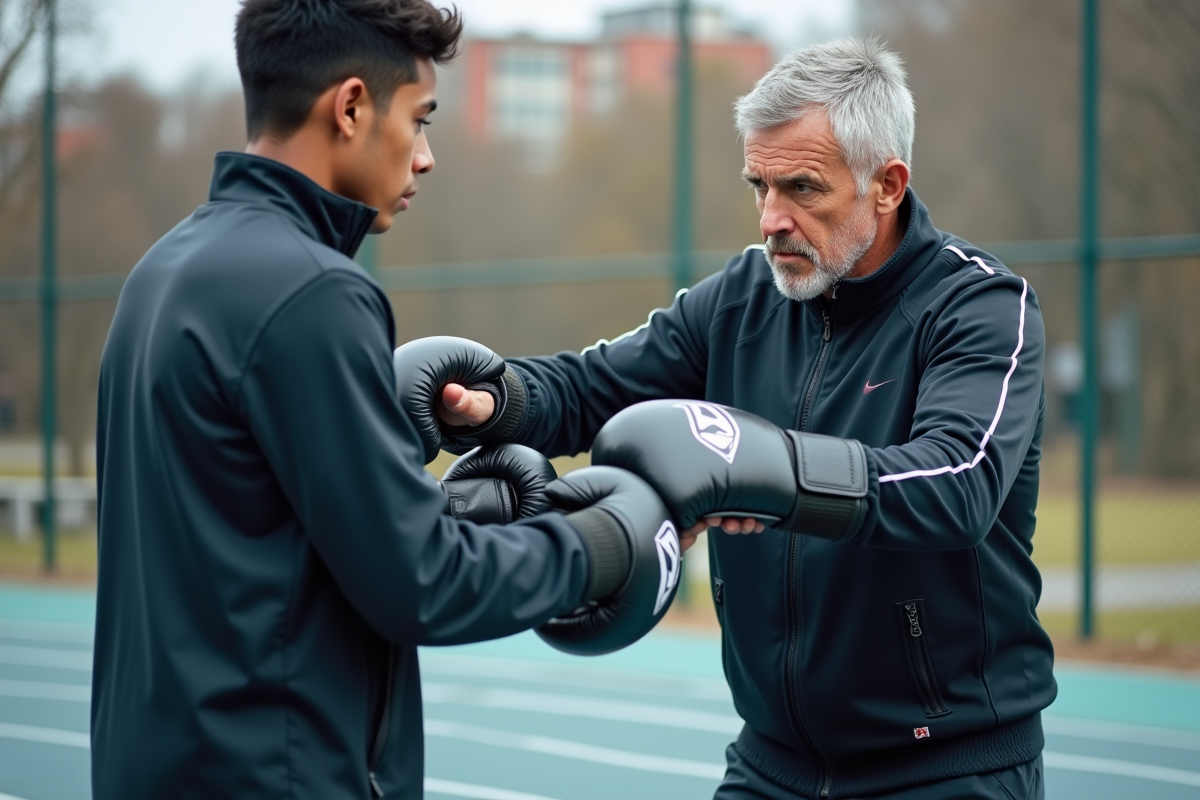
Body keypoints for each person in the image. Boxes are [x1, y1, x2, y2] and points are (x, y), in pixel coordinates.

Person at [400, 37, 1054, 800]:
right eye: (759, 186)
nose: (773, 219)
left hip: (945, 768)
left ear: (887, 184)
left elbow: (960, 482)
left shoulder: (980, 308)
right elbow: (595, 387)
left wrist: (767, 470)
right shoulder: (745, 295)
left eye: (802, 189)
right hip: (772, 765)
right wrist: (498, 399)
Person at [90, 2, 678, 798]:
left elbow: (254, 533)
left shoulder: (162, 272)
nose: (426, 157)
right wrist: (603, 547)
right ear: (352, 106)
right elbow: (422, 584)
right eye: (420, 119)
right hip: (276, 775)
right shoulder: (312, 290)